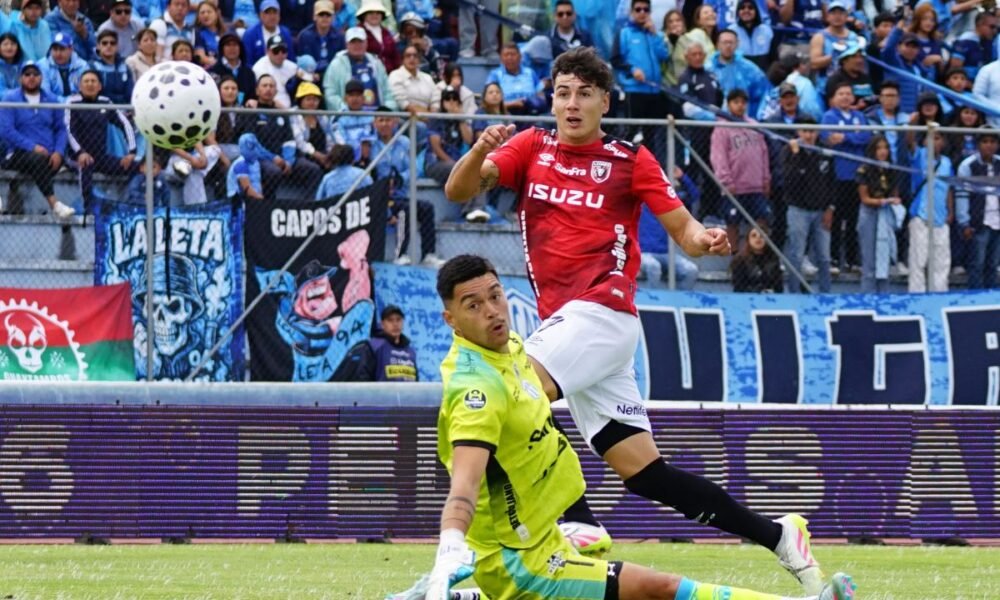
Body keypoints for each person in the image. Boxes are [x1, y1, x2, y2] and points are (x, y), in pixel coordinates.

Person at [443, 47, 826, 595]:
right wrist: (478, 150)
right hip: (575, 330)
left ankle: (566, 529)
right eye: (562, 93)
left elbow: (688, 234)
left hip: (603, 311)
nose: (571, 104)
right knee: (645, 473)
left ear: (604, 100)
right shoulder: (529, 147)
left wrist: (709, 241)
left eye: (583, 94)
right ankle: (779, 536)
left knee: (512, 392)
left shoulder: (629, 160)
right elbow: (459, 190)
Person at [421, 254, 855, 600]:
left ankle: (565, 533)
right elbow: (465, 483)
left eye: (496, 296)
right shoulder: (477, 392)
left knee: (646, 474)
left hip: (537, 540)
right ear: (451, 320)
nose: (493, 312)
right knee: (660, 587)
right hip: (525, 561)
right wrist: (449, 548)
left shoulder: (510, 347)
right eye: (473, 306)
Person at [370, 107, 445, 267]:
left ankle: (428, 254)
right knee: (406, 210)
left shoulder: (404, 142)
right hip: (379, 197)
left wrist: (398, 179)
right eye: (381, 120)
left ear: (396, 122)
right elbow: (368, 173)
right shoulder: (370, 144)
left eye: (388, 120)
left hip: (401, 193)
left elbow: (413, 169)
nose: (385, 124)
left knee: (427, 208)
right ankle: (400, 254)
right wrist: (384, 185)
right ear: (374, 123)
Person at [0, 62, 75, 220]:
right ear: (21, 78)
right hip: (17, 154)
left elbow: (60, 129)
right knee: (36, 159)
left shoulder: (52, 99)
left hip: (49, 156)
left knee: (41, 162)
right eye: (27, 74)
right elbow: (6, 131)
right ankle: (55, 204)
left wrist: (58, 152)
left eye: (35, 74)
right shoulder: (10, 99)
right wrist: (32, 147)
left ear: (41, 77)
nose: (31, 77)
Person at [240, 74, 323, 199]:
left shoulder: (281, 112)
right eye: (265, 85)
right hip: (263, 158)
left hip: (284, 157)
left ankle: (309, 206)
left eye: (272, 86)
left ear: (276, 91)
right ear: (257, 90)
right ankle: (269, 206)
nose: (268, 89)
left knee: (313, 169)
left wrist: (288, 161)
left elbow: (289, 141)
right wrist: (273, 158)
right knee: (273, 172)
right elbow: (251, 144)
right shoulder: (251, 111)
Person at [66, 69, 138, 212]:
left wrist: (132, 151)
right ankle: (88, 210)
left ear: (100, 86)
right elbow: (69, 130)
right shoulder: (72, 103)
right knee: (85, 165)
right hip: (77, 157)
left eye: (93, 81)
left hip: (101, 157)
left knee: (137, 167)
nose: (90, 84)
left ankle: (132, 205)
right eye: (86, 81)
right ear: (80, 86)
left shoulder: (105, 102)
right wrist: (80, 152)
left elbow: (125, 124)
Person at [711, 88, 771, 252]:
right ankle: (734, 260)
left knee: (762, 221)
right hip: (734, 187)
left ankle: (757, 257)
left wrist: (766, 179)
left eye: (743, 102)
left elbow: (764, 153)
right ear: (729, 104)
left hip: (756, 185)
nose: (740, 106)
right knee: (733, 223)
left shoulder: (753, 125)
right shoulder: (722, 128)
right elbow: (718, 157)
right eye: (736, 102)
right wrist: (726, 181)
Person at [821, 81, 872, 272]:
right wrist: (852, 137)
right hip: (838, 175)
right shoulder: (829, 116)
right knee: (837, 217)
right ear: (833, 98)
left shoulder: (860, 116)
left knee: (853, 220)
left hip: (857, 177)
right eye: (841, 93)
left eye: (848, 93)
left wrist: (846, 137)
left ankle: (852, 259)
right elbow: (828, 137)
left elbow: (866, 138)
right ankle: (834, 258)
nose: (845, 97)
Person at [781, 116, 833, 293]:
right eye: (805, 131)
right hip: (798, 209)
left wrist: (830, 207)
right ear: (798, 132)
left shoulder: (825, 151)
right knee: (796, 254)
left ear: (817, 132)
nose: (808, 135)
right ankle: (794, 293)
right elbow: (788, 181)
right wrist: (796, 155)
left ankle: (825, 294)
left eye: (812, 131)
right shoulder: (789, 151)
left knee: (824, 257)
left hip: (821, 209)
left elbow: (833, 181)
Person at [611, 0, 669, 156]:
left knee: (651, 134)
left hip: (654, 91)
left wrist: (655, 35)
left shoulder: (655, 34)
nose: (642, 12)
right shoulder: (625, 33)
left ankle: (647, 170)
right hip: (634, 90)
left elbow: (664, 55)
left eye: (645, 9)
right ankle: (620, 161)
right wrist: (632, 70)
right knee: (631, 130)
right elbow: (615, 59)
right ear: (632, 12)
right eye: (638, 9)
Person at [639, 167, 701, 290]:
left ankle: (678, 301)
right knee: (653, 267)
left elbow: (694, 195)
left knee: (691, 270)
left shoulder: (669, 202)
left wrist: (683, 178)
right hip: (643, 253)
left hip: (666, 254)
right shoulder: (639, 200)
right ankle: (654, 303)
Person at [907, 130, 954, 293]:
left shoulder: (947, 162)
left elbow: (948, 188)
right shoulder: (919, 156)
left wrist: (950, 211)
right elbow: (909, 140)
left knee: (941, 262)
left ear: (944, 142)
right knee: (918, 260)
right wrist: (912, 123)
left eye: (938, 138)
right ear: (925, 141)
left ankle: (940, 295)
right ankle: (917, 296)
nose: (934, 141)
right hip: (921, 216)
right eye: (931, 137)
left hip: (941, 219)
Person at [855, 136, 903, 293]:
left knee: (884, 259)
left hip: (885, 213)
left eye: (885, 148)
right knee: (869, 262)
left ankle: (884, 295)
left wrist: (892, 202)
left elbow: (895, 194)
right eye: (879, 148)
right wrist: (884, 201)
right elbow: (865, 198)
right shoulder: (864, 169)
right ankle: (868, 297)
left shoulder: (892, 169)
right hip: (870, 213)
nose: (883, 152)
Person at [955, 128, 1000, 289]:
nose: (989, 146)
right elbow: (961, 194)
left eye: (993, 142)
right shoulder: (968, 166)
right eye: (985, 142)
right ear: (978, 144)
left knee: (993, 264)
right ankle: (975, 300)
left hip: (997, 222)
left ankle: (993, 301)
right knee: (977, 265)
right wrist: (964, 222)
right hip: (978, 221)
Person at [332, 304, 418, 381]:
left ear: (403, 323)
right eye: (390, 320)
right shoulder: (373, 346)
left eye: (398, 320)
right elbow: (363, 378)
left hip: (407, 398)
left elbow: (416, 381)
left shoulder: (410, 351)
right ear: (383, 324)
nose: (395, 324)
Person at [323, 26, 398, 112]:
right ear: (346, 44)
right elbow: (330, 94)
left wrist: (387, 111)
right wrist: (344, 109)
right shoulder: (336, 65)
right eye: (353, 42)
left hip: (378, 118)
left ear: (366, 43)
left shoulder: (376, 63)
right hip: (347, 117)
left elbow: (388, 92)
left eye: (360, 41)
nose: (357, 45)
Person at [707, 29, 769, 120]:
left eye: (731, 42)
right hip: (714, 121)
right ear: (717, 45)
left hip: (744, 121)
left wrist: (755, 118)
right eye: (725, 42)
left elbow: (763, 93)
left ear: (737, 44)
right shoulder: (708, 68)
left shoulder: (750, 68)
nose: (728, 46)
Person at [426, 86, 473, 188]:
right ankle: (470, 203)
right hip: (436, 163)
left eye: (454, 98)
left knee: (476, 170)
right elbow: (436, 148)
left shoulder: (461, 119)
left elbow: (468, 140)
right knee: (459, 170)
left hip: (457, 162)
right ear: (442, 102)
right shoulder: (436, 118)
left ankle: (478, 204)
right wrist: (455, 164)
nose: (451, 102)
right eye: (447, 99)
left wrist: (461, 119)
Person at [486, 43, 547, 118]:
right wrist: (513, 104)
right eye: (506, 55)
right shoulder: (495, 75)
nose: (510, 58)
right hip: (505, 116)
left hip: (531, 115)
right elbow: (489, 103)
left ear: (520, 57)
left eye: (513, 54)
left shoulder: (530, 73)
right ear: (501, 58)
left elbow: (541, 97)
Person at [253, 34, 309, 108]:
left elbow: (308, 77)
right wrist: (285, 112)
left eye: (283, 51)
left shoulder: (291, 66)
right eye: (276, 51)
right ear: (267, 51)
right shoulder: (259, 67)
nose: (280, 54)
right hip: (270, 108)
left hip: (292, 109)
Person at [291, 81, 336, 170]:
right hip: (303, 154)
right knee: (314, 168)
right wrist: (316, 155)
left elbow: (330, 138)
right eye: (308, 99)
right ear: (300, 101)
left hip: (323, 154)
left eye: (315, 99)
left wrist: (330, 156)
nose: (312, 102)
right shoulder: (293, 115)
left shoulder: (322, 116)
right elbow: (299, 142)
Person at [296, 0, 346, 77]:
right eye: (321, 14)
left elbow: (342, 62)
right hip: (310, 75)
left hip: (333, 75)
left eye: (328, 15)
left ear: (333, 17)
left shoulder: (339, 37)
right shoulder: (304, 36)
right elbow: (300, 61)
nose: (324, 17)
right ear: (314, 16)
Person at [731, 225, 783, 292]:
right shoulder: (740, 260)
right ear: (748, 239)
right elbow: (739, 286)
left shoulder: (773, 259)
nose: (758, 238)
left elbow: (778, 286)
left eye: (761, 236)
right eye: (754, 236)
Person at [38, 32, 88, 102]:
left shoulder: (82, 66)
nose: (58, 53)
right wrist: (66, 101)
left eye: (62, 49)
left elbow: (86, 90)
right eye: (55, 49)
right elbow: (45, 93)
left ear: (71, 49)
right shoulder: (42, 65)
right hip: (52, 106)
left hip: (77, 105)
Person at [243, 0, 295, 67]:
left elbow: (291, 59)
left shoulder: (285, 33)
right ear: (261, 15)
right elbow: (248, 61)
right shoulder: (250, 34)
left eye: (275, 12)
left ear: (279, 15)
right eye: (268, 13)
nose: (272, 16)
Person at [209, 32, 256, 105]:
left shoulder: (249, 73)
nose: (232, 48)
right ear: (222, 48)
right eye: (228, 45)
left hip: (245, 114)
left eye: (235, 45)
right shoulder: (213, 71)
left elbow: (252, 95)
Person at [90, 30, 134, 105]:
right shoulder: (92, 67)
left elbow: (130, 93)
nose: (109, 46)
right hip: (101, 109)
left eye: (112, 43)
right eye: (104, 43)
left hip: (124, 109)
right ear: (98, 46)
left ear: (117, 47)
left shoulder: (125, 67)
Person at [356, 0, 399, 73]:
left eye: (378, 12)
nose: (375, 15)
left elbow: (395, 56)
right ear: (364, 15)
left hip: (390, 73)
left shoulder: (386, 32)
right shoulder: (358, 31)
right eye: (371, 12)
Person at [729, 0, 771, 71]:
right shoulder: (731, 31)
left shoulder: (766, 30)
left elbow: (773, 57)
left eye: (750, 8)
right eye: (742, 8)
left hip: (763, 71)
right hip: (739, 71)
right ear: (738, 11)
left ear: (756, 11)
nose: (746, 10)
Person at [226, 132, 265, 202]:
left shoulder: (255, 162)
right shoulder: (241, 163)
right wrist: (266, 202)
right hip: (238, 201)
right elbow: (247, 191)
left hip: (255, 199)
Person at [193, 0, 227, 69]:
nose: (206, 15)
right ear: (198, 16)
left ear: (217, 14)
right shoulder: (197, 33)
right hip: (209, 69)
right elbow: (201, 57)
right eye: (202, 13)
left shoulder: (226, 32)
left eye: (209, 12)